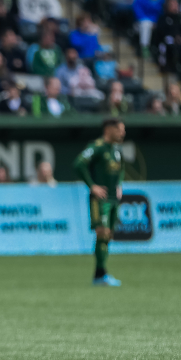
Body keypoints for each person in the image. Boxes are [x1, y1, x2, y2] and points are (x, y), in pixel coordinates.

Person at [72, 118, 126, 287]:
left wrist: (119, 184)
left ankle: (100, 274)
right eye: (120, 129)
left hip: (113, 198)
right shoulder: (97, 147)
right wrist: (92, 186)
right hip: (100, 199)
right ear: (108, 130)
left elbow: (121, 169)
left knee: (108, 236)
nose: (123, 133)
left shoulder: (115, 150)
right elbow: (79, 164)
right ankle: (101, 274)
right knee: (102, 233)